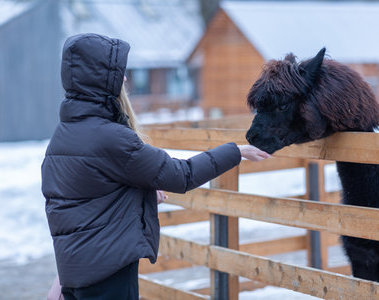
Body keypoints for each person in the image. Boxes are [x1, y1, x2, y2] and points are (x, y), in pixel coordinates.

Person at [41, 33, 270, 300]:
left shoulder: (63, 135)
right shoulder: (111, 138)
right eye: (119, 73)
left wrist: (142, 194)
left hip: (75, 273)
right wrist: (235, 150)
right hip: (108, 273)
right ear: (100, 79)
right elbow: (181, 175)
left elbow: (89, 200)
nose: (125, 80)